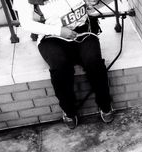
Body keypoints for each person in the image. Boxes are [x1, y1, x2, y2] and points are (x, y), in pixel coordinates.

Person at [15, 0, 114, 129]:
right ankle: (69, 111)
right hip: (51, 38)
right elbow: (26, 24)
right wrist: (58, 30)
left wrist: (91, 3)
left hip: (82, 32)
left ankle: (105, 105)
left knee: (94, 62)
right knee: (60, 67)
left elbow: (95, 3)